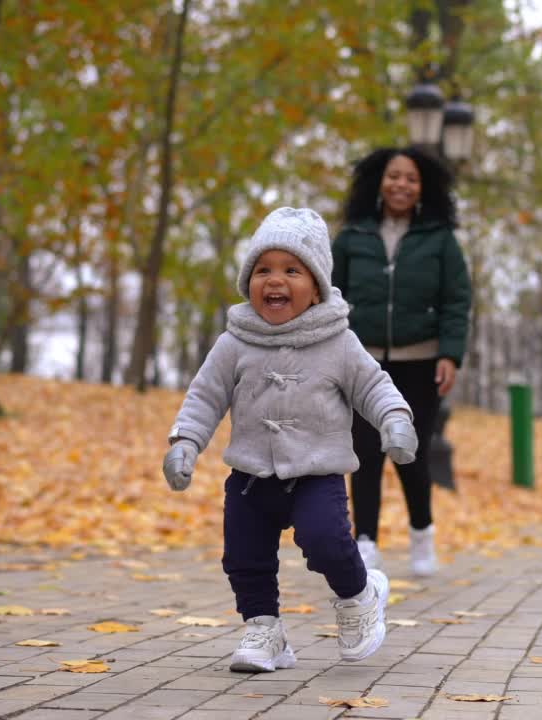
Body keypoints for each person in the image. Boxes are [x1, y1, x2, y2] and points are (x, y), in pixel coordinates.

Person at [162, 207, 419, 672]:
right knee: (244, 555)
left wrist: (395, 420)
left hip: (317, 473)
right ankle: (265, 630)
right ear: (248, 282)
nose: (274, 280)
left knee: (326, 542)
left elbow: (373, 385)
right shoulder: (234, 341)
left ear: (316, 286)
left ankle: (361, 596)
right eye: (263, 270)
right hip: (250, 475)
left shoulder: (338, 341)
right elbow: (204, 397)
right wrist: (185, 441)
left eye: (291, 270)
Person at [331, 147, 471, 577]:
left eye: (410, 178)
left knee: (411, 452)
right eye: (394, 176)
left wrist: (450, 353)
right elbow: (331, 295)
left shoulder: (440, 239)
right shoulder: (353, 235)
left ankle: (421, 533)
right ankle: (366, 543)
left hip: (420, 361)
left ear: (422, 187)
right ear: (379, 181)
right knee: (365, 453)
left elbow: (456, 300)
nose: (401, 185)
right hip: (364, 361)